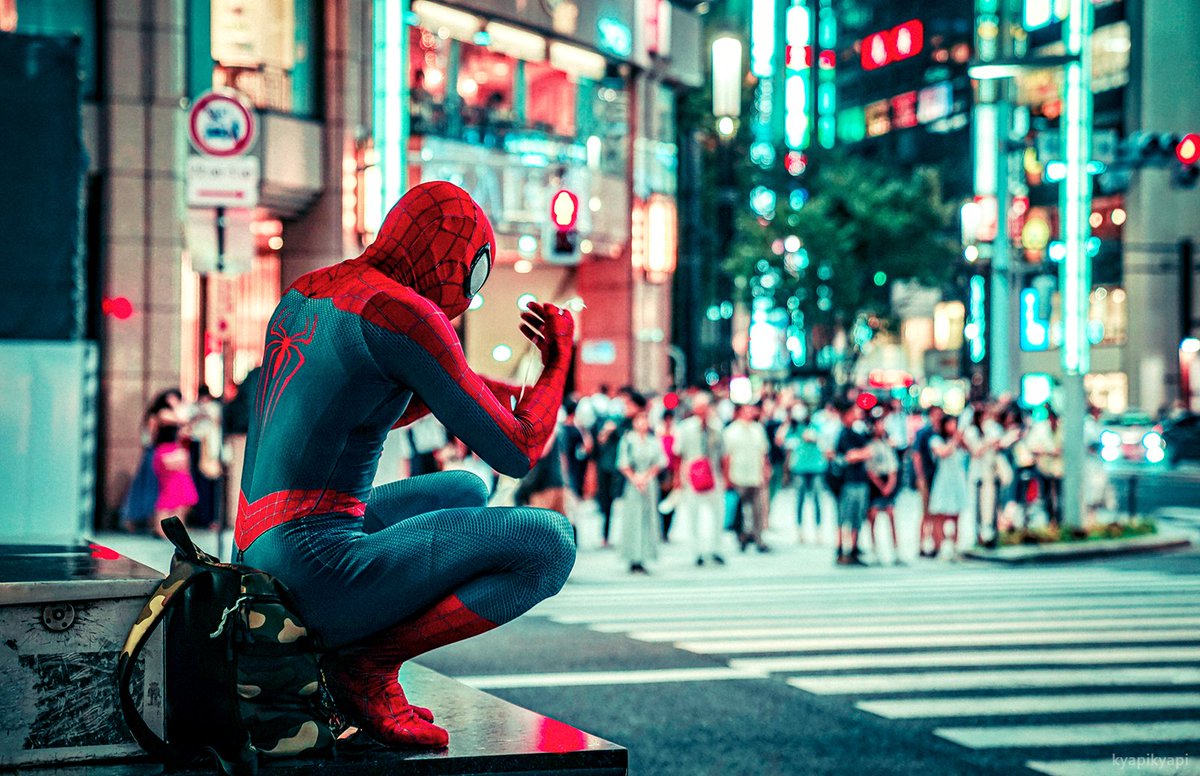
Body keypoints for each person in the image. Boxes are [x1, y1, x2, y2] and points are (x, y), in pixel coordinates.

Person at [236, 181, 576, 749]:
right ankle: (366, 665)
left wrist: (484, 387)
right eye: (472, 276)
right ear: (449, 259)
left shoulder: (308, 289)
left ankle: (352, 648)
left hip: (255, 546)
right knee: (549, 544)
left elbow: (358, 408)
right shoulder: (402, 312)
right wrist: (559, 365)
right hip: (311, 562)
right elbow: (518, 451)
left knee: (466, 488)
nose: (466, 299)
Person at [674, 393, 727, 567]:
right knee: (693, 516)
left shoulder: (716, 427)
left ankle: (715, 549)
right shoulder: (685, 427)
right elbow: (678, 454)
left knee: (717, 515)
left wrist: (725, 477)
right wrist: (678, 479)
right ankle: (696, 551)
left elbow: (723, 454)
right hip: (692, 477)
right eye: (700, 407)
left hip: (713, 475)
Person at [616, 404, 668, 574]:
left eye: (645, 420)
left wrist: (647, 477)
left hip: (649, 484)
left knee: (648, 519)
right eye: (639, 420)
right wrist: (635, 478)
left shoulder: (654, 440)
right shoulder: (628, 439)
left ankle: (645, 555)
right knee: (632, 519)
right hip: (633, 484)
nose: (642, 423)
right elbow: (623, 463)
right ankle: (632, 557)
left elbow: (660, 462)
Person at [723, 402, 772, 552]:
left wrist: (765, 470)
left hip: (755, 474)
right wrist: (727, 477)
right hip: (738, 475)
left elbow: (764, 452)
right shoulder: (731, 431)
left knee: (758, 508)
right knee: (740, 509)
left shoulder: (758, 429)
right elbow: (726, 456)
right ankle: (742, 536)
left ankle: (758, 538)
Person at [832, 400, 873, 565]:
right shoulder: (844, 433)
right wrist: (861, 454)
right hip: (848, 482)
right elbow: (851, 456)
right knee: (845, 517)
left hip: (859, 480)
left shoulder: (859, 432)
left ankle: (854, 549)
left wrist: (861, 453)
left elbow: (869, 451)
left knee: (857, 517)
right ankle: (842, 549)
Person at [781, 403, 827, 543]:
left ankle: (818, 530)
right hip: (799, 467)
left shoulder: (815, 425)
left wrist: (814, 437)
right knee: (799, 499)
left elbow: (823, 440)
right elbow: (783, 442)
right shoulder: (793, 428)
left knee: (817, 499)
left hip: (816, 467)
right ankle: (799, 530)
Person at [926, 414, 968, 558]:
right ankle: (939, 546)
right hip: (943, 480)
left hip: (957, 479)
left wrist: (961, 438)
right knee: (940, 515)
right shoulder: (936, 439)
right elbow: (943, 452)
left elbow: (972, 451)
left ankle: (955, 546)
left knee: (956, 515)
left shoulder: (958, 440)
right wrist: (955, 440)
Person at [151, 422, 199, 538]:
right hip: (172, 480)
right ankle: (162, 530)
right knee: (168, 505)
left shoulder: (170, 448)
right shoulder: (168, 448)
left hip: (177, 480)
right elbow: (174, 463)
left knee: (178, 506)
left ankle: (174, 531)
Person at [865, 413, 901, 563]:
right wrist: (880, 485)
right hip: (875, 484)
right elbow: (870, 470)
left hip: (887, 480)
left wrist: (890, 484)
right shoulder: (869, 445)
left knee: (891, 515)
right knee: (872, 516)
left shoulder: (888, 444)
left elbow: (893, 467)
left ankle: (895, 551)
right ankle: (874, 550)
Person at [911, 405, 945, 558]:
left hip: (939, 477)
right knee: (926, 513)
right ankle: (922, 544)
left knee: (937, 512)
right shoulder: (924, 432)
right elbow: (916, 455)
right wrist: (920, 476)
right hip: (926, 476)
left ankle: (936, 543)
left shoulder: (942, 432)